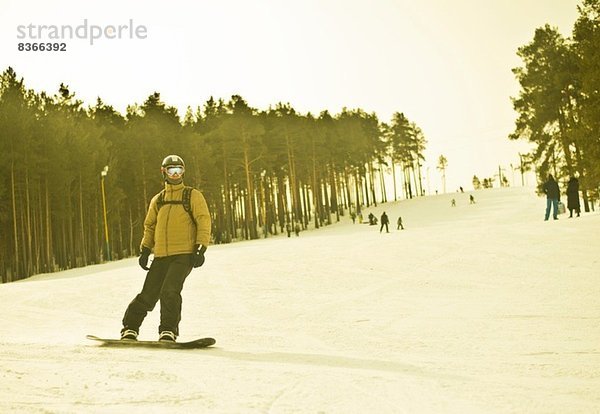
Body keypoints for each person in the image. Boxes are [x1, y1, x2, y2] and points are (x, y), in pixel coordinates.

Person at [120, 155, 211, 342]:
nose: (175, 174)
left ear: (183, 172)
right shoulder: (158, 199)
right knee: (148, 294)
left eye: (179, 170)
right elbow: (150, 226)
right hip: (161, 255)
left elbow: (204, 220)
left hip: (184, 255)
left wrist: (200, 247)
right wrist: (145, 249)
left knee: (170, 290)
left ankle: (168, 330)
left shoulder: (192, 195)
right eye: (171, 170)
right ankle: (130, 328)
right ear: (164, 172)